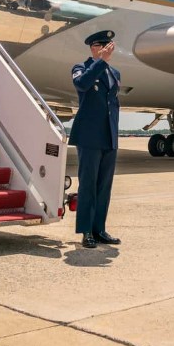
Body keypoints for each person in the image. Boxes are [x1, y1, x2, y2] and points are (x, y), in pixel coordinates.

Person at [68, 30, 122, 249]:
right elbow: (82, 84)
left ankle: (99, 229)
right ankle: (86, 231)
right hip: (90, 136)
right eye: (100, 46)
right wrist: (100, 62)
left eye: (107, 45)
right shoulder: (81, 68)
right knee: (88, 185)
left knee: (104, 186)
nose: (104, 49)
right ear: (92, 48)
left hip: (109, 135)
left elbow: (113, 104)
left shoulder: (115, 72)